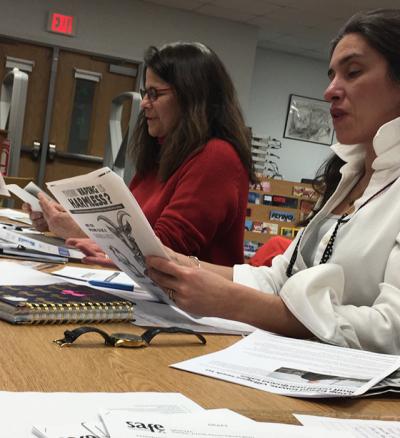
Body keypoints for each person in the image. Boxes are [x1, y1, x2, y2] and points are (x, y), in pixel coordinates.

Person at [146, 9, 400, 354]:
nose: (330, 91)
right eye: (331, 75)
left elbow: (391, 330)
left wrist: (234, 303)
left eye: (352, 72)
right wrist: (179, 262)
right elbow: (280, 277)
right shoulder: (349, 175)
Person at [25, 42, 255, 266]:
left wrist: (76, 229)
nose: (144, 103)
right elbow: (129, 226)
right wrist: (67, 221)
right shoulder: (163, 150)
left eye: (155, 94)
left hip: (184, 302)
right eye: (146, 92)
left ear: (191, 96)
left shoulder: (217, 157)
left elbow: (164, 251)